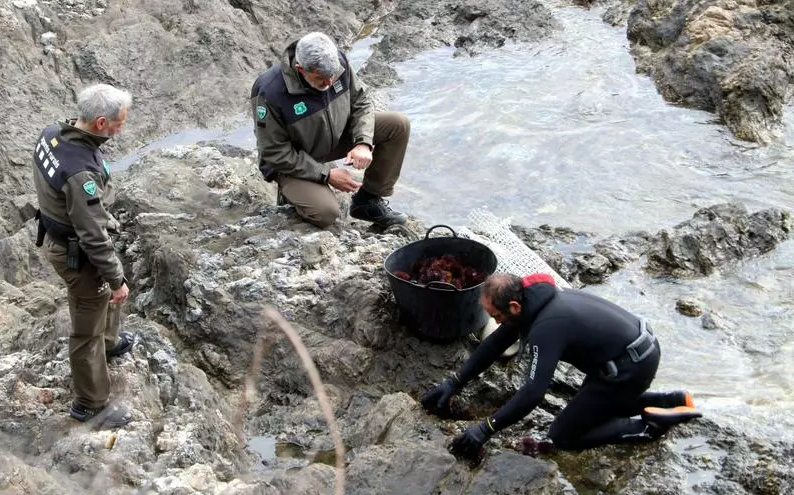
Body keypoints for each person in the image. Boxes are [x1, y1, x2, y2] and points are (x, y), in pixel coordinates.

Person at [421, 273, 702, 463]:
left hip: (628, 368)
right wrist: (453, 382)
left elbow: (533, 393)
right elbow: (494, 344)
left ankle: (649, 426)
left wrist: (485, 429)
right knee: (589, 408)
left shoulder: (547, 327)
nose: (494, 322)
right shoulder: (535, 299)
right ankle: (672, 401)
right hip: (634, 352)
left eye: (496, 316)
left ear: (514, 306)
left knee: (563, 436)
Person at [32, 83, 137, 428]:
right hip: (77, 252)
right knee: (86, 324)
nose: (124, 127)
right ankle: (90, 404)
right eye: (120, 122)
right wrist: (116, 278)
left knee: (101, 299)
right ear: (101, 123)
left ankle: (109, 342)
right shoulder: (81, 174)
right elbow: (92, 236)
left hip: (61, 236)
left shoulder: (53, 134)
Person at [250, 32, 410, 228]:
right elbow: (274, 152)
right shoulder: (269, 91)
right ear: (301, 69)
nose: (329, 83)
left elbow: (361, 100)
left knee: (397, 125)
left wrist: (363, 142)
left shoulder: (338, 62)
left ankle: (367, 201)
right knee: (326, 214)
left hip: (334, 136)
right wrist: (326, 174)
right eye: (321, 78)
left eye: (332, 76)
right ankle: (291, 195)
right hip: (293, 158)